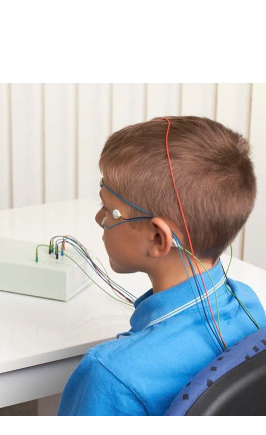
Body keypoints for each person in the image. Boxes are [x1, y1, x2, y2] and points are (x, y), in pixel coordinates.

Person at [57, 116, 266, 416]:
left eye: (108, 208)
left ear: (158, 238)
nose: (99, 218)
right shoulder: (249, 303)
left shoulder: (110, 375)